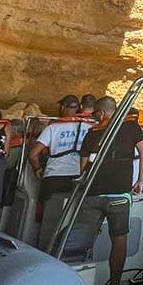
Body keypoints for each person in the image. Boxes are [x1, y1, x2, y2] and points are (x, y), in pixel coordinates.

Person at [78, 96, 143, 285]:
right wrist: (141, 181)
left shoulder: (92, 133)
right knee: (119, 240)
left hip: (93, 195)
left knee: (85, 239)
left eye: (95, 114)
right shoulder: (132, 128)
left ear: (101, 113)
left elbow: (83, 167)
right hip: (119, 194)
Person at [31, 95, 93, 246]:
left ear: (63, 107)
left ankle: (43, 247)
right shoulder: (89, 128)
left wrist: (38, 169)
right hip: (77, 177)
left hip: (54, 176)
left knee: (47, 215)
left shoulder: (53, 127)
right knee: (71, 216)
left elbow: (33, 154)